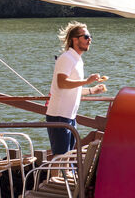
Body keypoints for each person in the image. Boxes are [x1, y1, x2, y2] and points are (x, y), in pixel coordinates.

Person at [46, 22, 107, 157]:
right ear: (75, 39)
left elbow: (72, 88)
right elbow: (62, 83)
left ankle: (64, 177)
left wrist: (91, 90)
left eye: (90, 36)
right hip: (59, 115)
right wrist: (87, 81)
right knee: (60, 157)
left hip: (69, 116)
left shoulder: (77, 60)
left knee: (67, 155)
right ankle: (56, 179)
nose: (89, 39)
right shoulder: (67, 58)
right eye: (85, 36)